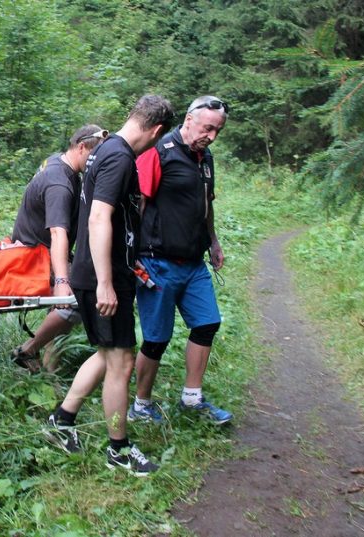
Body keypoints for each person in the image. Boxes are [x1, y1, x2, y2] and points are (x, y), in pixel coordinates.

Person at [43, 95, 175, 477]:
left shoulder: (104, 150)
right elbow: (99, 217)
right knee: (121, 361)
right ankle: (118, 449)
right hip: (101, 276)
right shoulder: (119, 157)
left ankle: (62, 420)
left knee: (107, 354)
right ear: (157, 130)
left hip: (106, 271)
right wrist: (105, 282)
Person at [128, 96, 232, 425]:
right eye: (207, 128)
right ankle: (141, 406)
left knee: (207, 323)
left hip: (194, 262)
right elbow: (137, 206)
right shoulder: (158, 152)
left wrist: (213, 241)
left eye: (217, 130)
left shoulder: (205, 157)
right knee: (157, 339)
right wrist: (130, 257)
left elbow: (206, 203)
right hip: (156, 261)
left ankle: (192, 398)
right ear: (188, 120)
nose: (212, 136)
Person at [9, 125, 109, 373]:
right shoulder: (60, 184)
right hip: (34, 257)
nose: (97, 163)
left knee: (66, 302)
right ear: (81, 147)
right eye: (94, 157)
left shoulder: (58, 162)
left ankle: (49, 369)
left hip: (38, 250)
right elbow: (57, 232)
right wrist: (62, 279)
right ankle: (27, 350)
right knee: (77, 298)